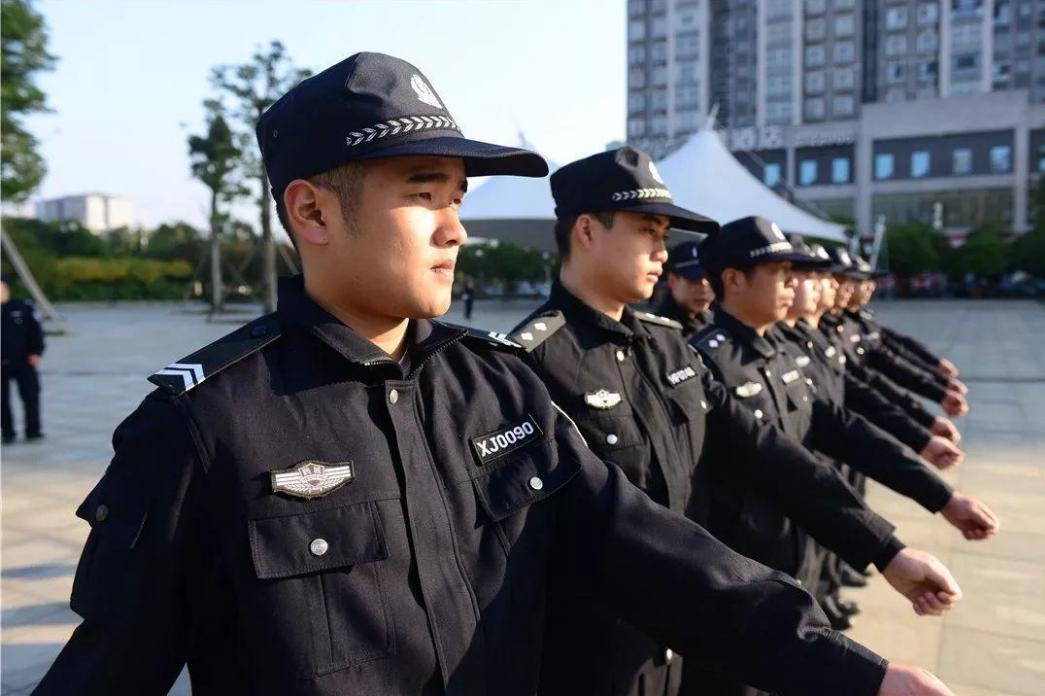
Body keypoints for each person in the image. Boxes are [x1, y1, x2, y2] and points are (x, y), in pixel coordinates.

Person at [38, 53, 957, 696]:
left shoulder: (497, 390)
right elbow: (107, 670)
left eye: (457, 199)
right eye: (421, 193)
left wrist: (854, 673)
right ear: (312, 211)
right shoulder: (209, 425)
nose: (454, 229)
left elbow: (661, 556)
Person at [510, 148, 963, 696]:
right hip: (595, 659)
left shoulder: (669, 348)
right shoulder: (528, 366)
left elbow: (767, 452)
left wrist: (884, 549)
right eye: (649, 232)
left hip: (687, 641)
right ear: (586, 231)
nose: (664, 251)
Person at [1, 275, 45, 444]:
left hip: (24, 361)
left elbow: (35, 331)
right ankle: (8, 432)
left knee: (31, 395)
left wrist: (36, 352)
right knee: (2, 400)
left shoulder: (23, 307)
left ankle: (33, 430)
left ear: (6, 288)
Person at [652, 240, 715, 336]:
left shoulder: (716, 325)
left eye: (711, 280)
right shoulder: (657, 331)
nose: (704, 289)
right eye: (694, 280)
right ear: (672, 280)